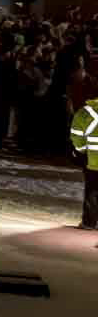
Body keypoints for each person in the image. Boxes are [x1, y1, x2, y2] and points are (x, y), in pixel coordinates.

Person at [67, 98, 98, 230]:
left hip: (92, 160)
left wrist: (81, 151)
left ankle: (89, 222)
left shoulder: (83, 113)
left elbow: (76, 135)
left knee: (92, 191)